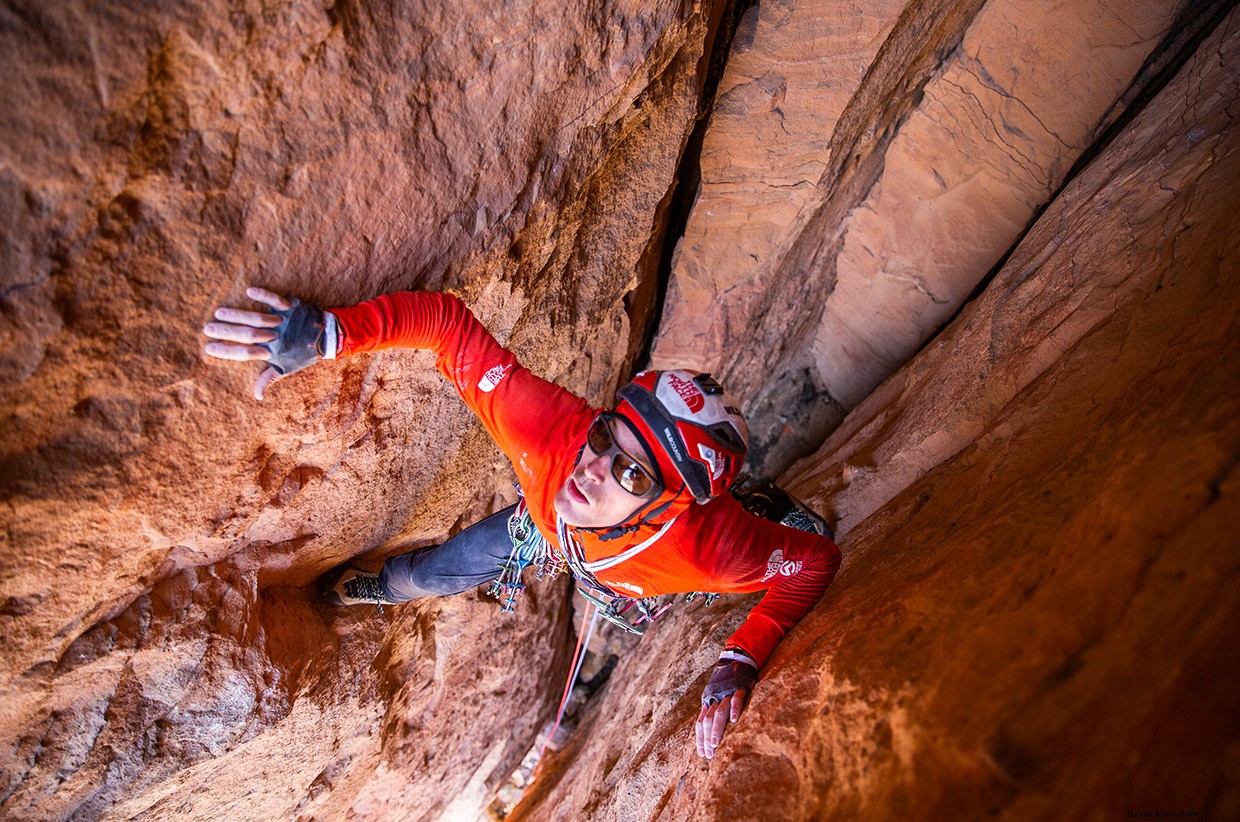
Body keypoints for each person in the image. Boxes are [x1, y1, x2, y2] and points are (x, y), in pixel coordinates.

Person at [203, 286, 841, 760]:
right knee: (435, 572)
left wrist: (741, 656)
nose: (590, 469)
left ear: (672, 502)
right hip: (549, 532)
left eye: (632, 475)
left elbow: (813, 561)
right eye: (605, 437)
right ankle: (387, 586)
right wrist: (331, 334)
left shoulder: (707, 551)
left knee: (751, 548)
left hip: (623, 563)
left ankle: (762, 507)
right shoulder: (551, 436)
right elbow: (448, 327)